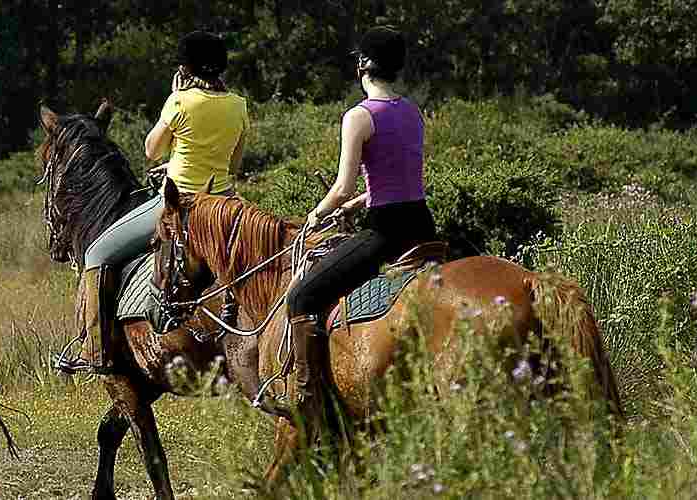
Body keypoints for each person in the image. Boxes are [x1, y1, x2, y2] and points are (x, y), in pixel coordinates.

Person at [54, 31, 249, 374]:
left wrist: (177, 97)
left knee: (96, 254)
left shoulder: (180, 101)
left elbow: (150, 150)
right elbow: (232, 165)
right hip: (226, 204)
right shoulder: (239, 105)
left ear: (185, 69)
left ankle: (94, 351)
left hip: (181, 205)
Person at [285, 27, 435, 413]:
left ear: (364, 66)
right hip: (423, 228)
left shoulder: (359, 116)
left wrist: (316, 216)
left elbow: (341, 185)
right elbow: (404, 178)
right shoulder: (412, 111)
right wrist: (356, 204)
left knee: (302, 296)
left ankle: (308, 395)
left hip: (385, 232)